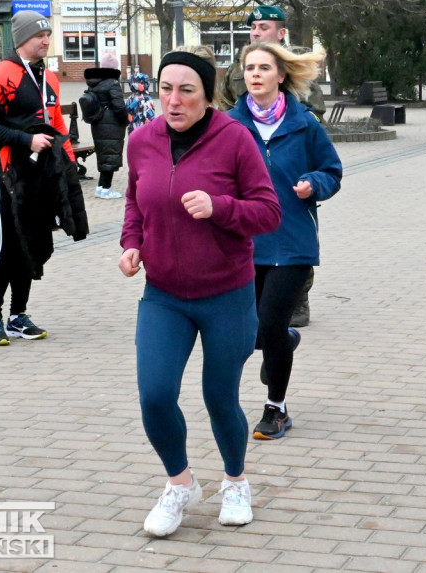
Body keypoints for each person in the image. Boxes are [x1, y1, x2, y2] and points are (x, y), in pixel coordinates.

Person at [120, 50, 281, 535]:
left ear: (207, 97)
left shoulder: (234, 139)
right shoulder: (141, 141)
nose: (172, 100)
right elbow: (134, 202)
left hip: (226, 293)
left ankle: (235, 481)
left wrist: (220, 207)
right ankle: (180, 484)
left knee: (219, 396)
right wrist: (131, 245)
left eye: (186, 90)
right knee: (154, 394)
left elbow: (268, 211)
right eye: (165, 88)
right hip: (164, 295)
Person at [227, 42, 343, 441]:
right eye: (249, 68)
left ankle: (276, 408)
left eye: (263, 67)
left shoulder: (304, 124)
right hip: (244, 242)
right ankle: (283, 343)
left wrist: (315, 184)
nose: (254, 74)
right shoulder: (228, 125)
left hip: (292, 243)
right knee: (252, 331)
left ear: (281, 75)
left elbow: (332, 170)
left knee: (273, 321)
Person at [0, 10, 89, 346]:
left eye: (49, 34)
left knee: (31, 244)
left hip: (40, 177)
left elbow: (57, 125)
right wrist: (26, 140)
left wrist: (66, 165)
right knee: (7, 246)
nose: (46, 40)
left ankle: (17, 315)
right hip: (6, 175)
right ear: (23, 38)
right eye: (41, 35)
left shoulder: (50, 78)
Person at [218, 4, 325, 328]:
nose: (255, 31)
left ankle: (297, 300)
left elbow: (313, 114)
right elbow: (225, 106)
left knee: (290, 246)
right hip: (248, 191)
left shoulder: (295, 75)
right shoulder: (238, 72)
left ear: (280, 33)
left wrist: (289, 134)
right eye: (253, 27)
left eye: (263, 27)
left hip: (289, 178)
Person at [84, 52, 130, 199]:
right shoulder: (112, 83)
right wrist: (125, 120)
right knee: (110, 155)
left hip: (98, 122)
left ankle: (101, 187)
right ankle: (106, 189)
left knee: (104, 155)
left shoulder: (94, 82)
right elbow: (119, 106)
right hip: (111, 123)